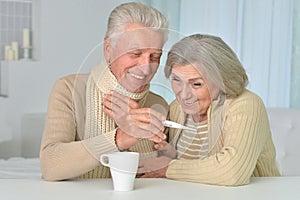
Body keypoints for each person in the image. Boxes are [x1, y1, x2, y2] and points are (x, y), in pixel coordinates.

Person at [40, 2, 169, 181]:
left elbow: (153, 177)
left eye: (155, 57)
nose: (146, 68)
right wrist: (120, 138)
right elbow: (51, 166)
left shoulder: (159, 104)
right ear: (108, 48)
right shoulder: (69, 89)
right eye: (135, 53)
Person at [138, 34, 281, 186]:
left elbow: (232, 172)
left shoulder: (246, 104)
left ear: (223, 81)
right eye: (176, 80)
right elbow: (193, 172)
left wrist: (168, 167)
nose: (184, 94)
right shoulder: (177, 108)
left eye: (197, 84)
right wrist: (171, 155)